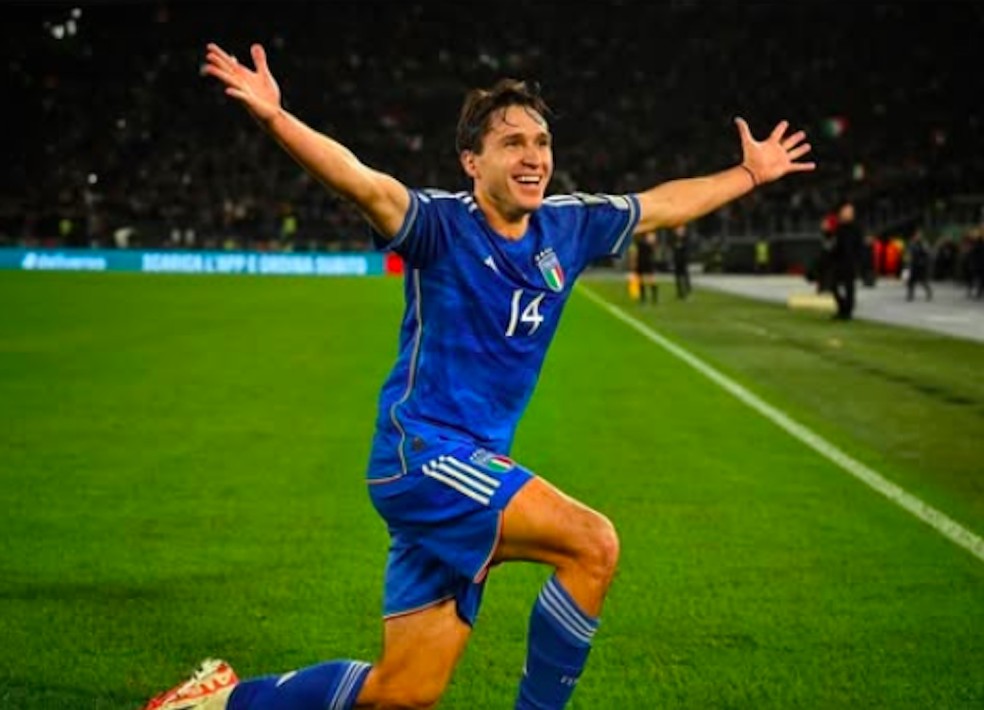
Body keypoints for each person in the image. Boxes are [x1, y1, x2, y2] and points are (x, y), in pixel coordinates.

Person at [143, 42, 814, 710]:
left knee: (403, 691)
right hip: (423, 455)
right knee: (591, 545)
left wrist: (749, 175)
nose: (533, 157)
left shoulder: (569, 225)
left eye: (542, 142)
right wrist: (276, 117)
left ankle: (214, 703)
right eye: (512, 143)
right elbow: (358, 180)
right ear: (473, 162)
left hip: (470, 465)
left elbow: (661, 205)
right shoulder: (439, 225)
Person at [830, 200, 863, 320]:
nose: (847, 214)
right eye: (845, 211)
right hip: (839, 261)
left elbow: (859, 246)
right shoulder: (839, 228)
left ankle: (847, 311)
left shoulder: (856, 228)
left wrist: (859, 262)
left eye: (849, 212)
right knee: (833, 285)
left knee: (849, 288)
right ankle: (842, 307)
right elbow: (835, 245)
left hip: (850, 262)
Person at [629, 229, 659, 304]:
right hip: (640, 261)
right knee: (640, 280)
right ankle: (643, 299)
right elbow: (634, 251)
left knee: (651, 279)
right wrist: (633, 262)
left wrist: (652, 241)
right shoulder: (637, 237)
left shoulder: (650, 234)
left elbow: (654, 248)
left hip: (648, 261)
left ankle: (654, 299)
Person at [905, 230, 933, 301]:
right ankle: (910, 295)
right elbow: (909, 253)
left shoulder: (924, 244)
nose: (917, 237)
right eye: (916, 236)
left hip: (921, 266)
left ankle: (929, 293)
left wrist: (923, 262)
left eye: (919, 235)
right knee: (911, 281)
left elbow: (927, 254)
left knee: (923, 281)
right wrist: (908, 261)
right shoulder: (912, 243)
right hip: (914, 265)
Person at [670, 224, 692, 299]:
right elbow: (673, 246)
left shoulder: (685, 238)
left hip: (683, 259)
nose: (679, 231)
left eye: (681, 230)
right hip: (677, 259)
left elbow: (686, 248)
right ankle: (680, 292)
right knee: (678, 276)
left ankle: (687, 289)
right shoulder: (674, 238)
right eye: (678, 230)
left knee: (685, 274)